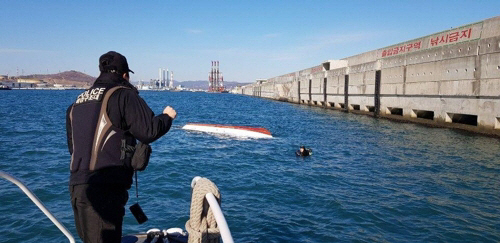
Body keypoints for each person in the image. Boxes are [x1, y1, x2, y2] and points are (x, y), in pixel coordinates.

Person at [66, 51, 177, 243]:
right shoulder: (123, 95)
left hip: (77, 188)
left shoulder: (77, 103)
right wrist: (167, 117)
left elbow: (73, 147)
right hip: (105, 190)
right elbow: (148, 131)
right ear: (124, 74)